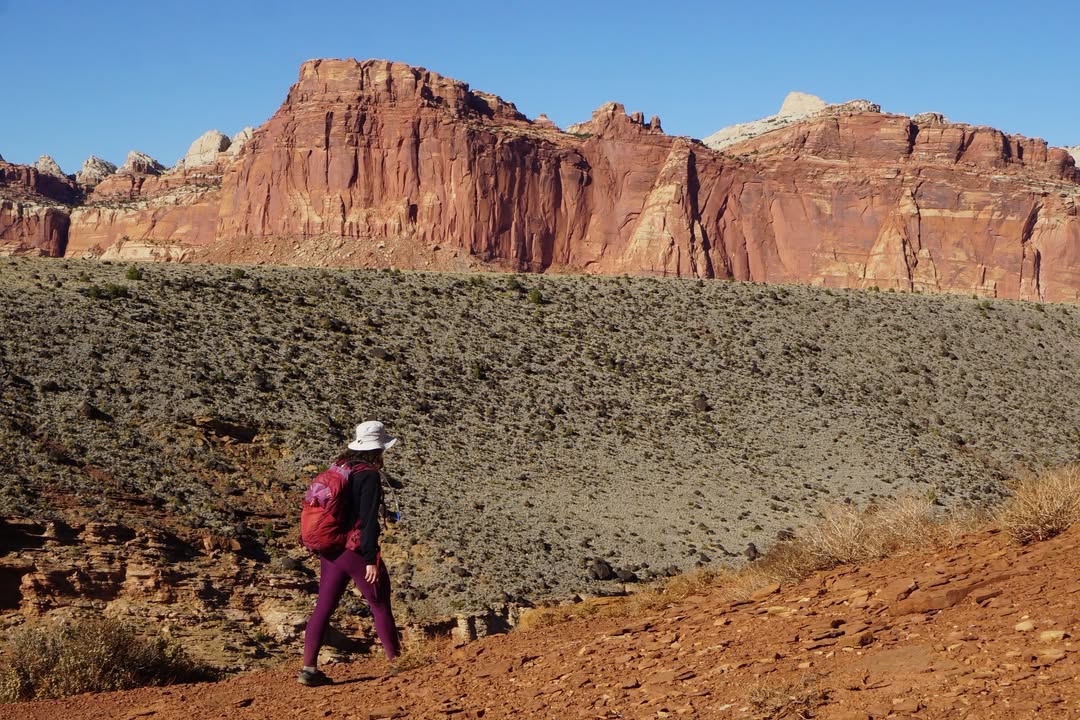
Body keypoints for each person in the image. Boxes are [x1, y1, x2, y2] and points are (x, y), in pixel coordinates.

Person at [298, 420, 402, 686]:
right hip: (354, 550)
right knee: (379, 604)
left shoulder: (340, 468)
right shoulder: (368, 474)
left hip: (331, 550)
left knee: (324, 607)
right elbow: (368, 521)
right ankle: (397, 664)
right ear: (377, 449)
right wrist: (370, 559)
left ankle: (309, 669)